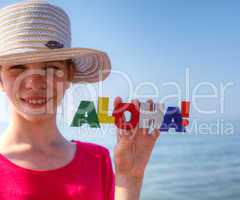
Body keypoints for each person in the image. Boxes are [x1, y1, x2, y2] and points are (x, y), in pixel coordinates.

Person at [0, 1, 160, 199]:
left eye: (51, 68)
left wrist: (130, 179)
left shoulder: (98, 160)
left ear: (69, 75)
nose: (34, 83)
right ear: (0, 79)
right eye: (17, 67)